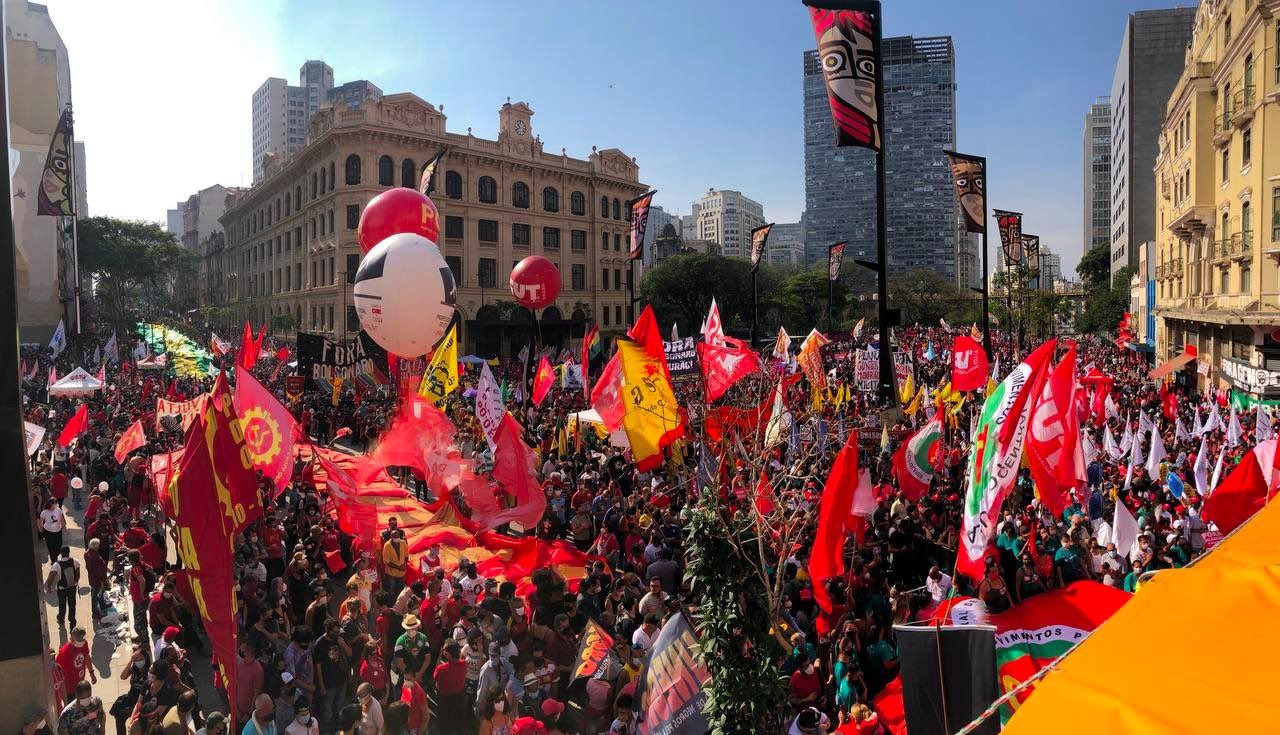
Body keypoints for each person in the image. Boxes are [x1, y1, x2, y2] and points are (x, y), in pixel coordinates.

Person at [56, 628, 96, 697]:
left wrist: (91, 673)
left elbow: (86, 656)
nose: (82, 643)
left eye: (83, 640)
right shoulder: (64, 652)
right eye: (79, 641)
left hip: (80, 683)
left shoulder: (84, 643)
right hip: (69, 689)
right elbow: (57, 669)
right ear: (72, 639)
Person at [52, 545, 81, 628]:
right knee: (72, 605)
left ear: (61, 553)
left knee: (62, 605)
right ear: (69, 552)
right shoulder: (75, 561)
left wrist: (48, 587)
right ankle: (72, 623)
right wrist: (75, 582)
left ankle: (61, 619)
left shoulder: (57, 565)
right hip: (72, 587)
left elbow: (51, 578)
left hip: (62, 589)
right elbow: (78, 574)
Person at [398, 668, 430, 735]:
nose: (406, 681)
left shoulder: (419, 693)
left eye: (409, 679)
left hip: (415, 728)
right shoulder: (405, 687)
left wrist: (420, 731)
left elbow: (426, 715)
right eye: (405, 679)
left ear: (414, 678)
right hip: (406, 726)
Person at [40, 498, 65, 565]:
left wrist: (64, 526)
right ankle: (54, 561)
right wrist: (41, 528)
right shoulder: (44, 512)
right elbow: (41, 520)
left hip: (58, 531)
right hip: (48, 532)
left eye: (54, 506)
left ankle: (56, 554)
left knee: (59, 544)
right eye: (52, 506)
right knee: (51, 547)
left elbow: (62, 518)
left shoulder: (58, 510)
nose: (53, 508)